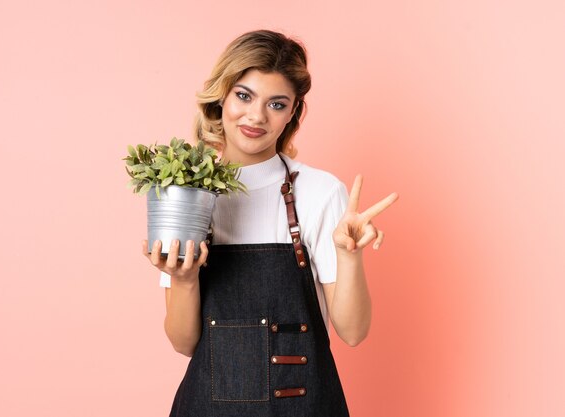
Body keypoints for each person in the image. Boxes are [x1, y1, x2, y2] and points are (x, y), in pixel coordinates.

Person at [142, 29, 398, 417]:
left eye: (277, 104)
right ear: (221, 97)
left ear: (293, 112)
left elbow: (353, 332)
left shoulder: (320, 192)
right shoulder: (184, 195)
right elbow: (184, 342)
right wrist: (183, 277)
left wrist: (348, 257)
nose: (256, 116)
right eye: (244, 95)